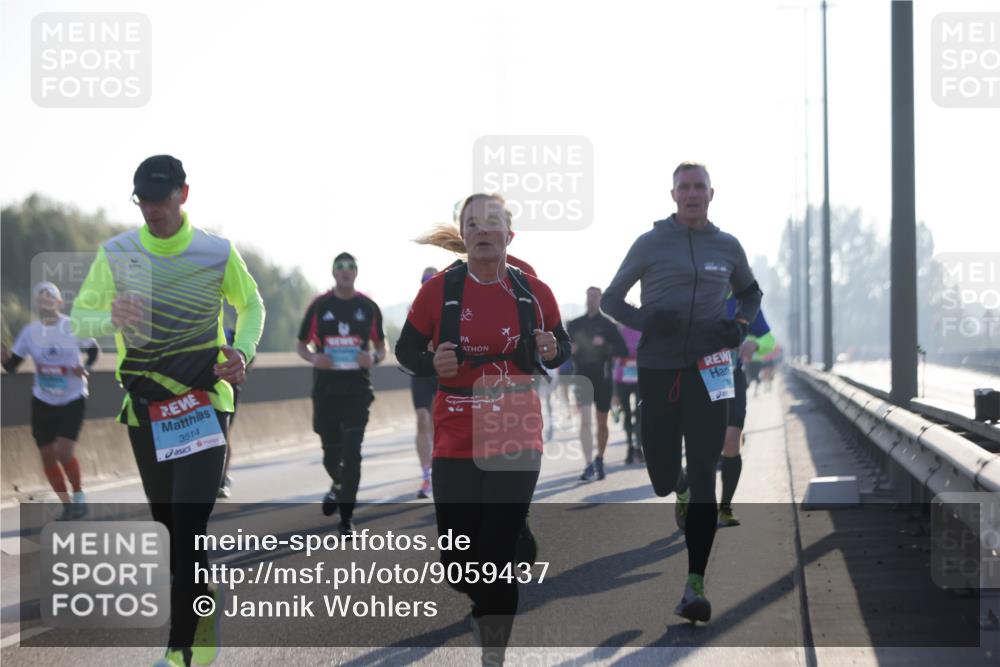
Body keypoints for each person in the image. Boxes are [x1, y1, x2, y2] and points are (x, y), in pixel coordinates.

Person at [71, 154, 265, 667]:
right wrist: (107, 315)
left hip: (204, 404)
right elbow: (78, 319)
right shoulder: (117, 253)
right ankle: (203, 600)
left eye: (160, 199)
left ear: (184, 193)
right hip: (147, 412)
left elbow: (252, 305)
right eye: (143, 200)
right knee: (172, 531)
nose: (152, 210)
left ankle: (179, 650)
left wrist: (241, 352)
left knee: (188, 523)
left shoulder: (215, 252)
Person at [397, 193, 570, 665]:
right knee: (458, 566)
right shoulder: (438, 292)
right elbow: (405, 351)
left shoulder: (534, 291)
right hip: (456, 431)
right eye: (472, 223)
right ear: (464, 236)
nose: (481, 230)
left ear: (509, 235)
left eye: (491, 221)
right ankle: (500, 570)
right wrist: (431, 362)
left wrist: (552, 349)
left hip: (515, 428)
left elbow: (561, 345)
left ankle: (493, 654)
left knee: (496, 558)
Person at [601, 162, 762, 624]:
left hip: (711, 368)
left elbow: (751, 294)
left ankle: (695, 584)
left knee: (707, 467)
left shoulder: (727, 246)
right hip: (659, 367)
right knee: (662, 476)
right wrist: (647, 320)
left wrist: (739, 326)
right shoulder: (650, 243)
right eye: (684, 187)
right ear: (673, 195)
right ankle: (680, 486)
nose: (692, 194)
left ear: (712, 193)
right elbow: (612, 300)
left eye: (699, 187)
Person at [296, 252, 386, 536]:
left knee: (353, 454)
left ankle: (346, 519)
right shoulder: (320, 305)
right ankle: (337, 484)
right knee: (330, 455)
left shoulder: (368, 307)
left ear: (356, 272)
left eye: (351, 267)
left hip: (357, 390)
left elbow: (381, 347)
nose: (346, 271)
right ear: (334, 272)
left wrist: (374, 358)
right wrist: (314, 358)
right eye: (340, 267)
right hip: (326, 391)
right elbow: (301, 344)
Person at [675, 300, 776, 529]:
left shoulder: (742, 302)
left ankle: (725, 508)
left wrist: (755, 344)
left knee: (731, 440)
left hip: (729, 376)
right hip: (696, 378)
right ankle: (685, 490)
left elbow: (769, 340)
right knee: (700, 443)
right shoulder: (694, 295)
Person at [2, 282, 98, 520]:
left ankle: (79, 495)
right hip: (43, 400)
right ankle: (67, 505)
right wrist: (3, 356)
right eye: (40, 297)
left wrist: (85, 367)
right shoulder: (30, 332)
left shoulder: (73, 326)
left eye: (50, 296)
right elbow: (12, 366)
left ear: (59, 302)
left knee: (64, 453)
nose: (45, 300)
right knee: (46, 455)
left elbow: (93, 350)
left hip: (72, 398)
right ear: (37, 304)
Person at [567, 288, 627, 481]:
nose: (591, 299)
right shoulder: (574, 324)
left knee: (602, 422)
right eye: (589, 296)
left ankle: (599, 458)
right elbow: (562, 350)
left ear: (600, 299)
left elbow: (623, 350)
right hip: (582, 379)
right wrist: (569, 349)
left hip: (603, 379)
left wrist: (605, 345)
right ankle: (588, 464)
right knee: (585, 421)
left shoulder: (608, 325)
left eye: (595, 296)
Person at [410, 267, 439, 498]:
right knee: (422, 419)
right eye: (424, 280)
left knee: (438, 422)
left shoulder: (452, 306)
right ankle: (426, 474)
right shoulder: (415, 308)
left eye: (432, 279)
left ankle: (440, 467)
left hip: (442, 371)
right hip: (421, 371)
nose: (427, 283)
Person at [613, 324, 643, 464]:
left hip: (639, 378)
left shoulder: (640, 328)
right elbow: (613, 355)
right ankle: (630, 446)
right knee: (626, 413)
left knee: (640, 412)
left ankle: (639, 447)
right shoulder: (618, 330)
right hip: (621, 378)